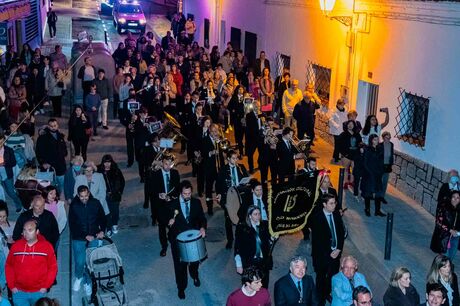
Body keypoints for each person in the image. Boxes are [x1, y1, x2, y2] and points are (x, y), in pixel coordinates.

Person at [166, 180, 207, 300]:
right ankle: (181, 287)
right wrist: (169, 222)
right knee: (180, 266)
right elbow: (164, 218)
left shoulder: (196, 202)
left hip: (193, 239)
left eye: (189, 193)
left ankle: (194, 275)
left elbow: (201, 218)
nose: (188, 196)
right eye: (185, 194)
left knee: (194, 261)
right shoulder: (172, 204)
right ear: (180, 192)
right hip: (178, 240)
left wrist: (203, 228)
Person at [6, 220, 57, 306]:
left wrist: (46, 285)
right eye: (24, 230)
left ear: (37, 232)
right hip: (19, 292)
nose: (26, 233)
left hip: (39, 292)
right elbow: (9, 265)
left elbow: (53, 267)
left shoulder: (47, 247)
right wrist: (11, 285)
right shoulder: (15, 247)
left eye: (30, 230)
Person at [69, 185, 106, 296]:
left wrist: (102, 231)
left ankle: (87, 282)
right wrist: (85, 235)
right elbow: (72, 225)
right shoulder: (74, 206)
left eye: (86, 196)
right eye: (81, 196)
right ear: (78, 195)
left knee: (90, 261)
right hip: (79, 238)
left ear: (89, 193)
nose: (84, 198)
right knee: (80, 261)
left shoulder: (95, 203)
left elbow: (103, 218)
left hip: (94, 235)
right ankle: (79, 277)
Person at [310, 194, 346, 305]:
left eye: (335, 203)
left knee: (332, 277)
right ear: (324, 204)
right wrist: (330, 253)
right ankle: (320, 300)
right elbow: (317, 242)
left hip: (336, 254)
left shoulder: (335, 214)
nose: (334, 205)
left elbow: (341, 232)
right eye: (331, 203)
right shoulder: (317, 218)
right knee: (321, 279)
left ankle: (327, 294)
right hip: (322, 256)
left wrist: (339, 249)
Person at [146, 154, 180, 257]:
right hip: (160, 205)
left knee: (172, 225)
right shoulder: (155, 175)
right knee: (162, 227)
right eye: (166, 164)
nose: (168, 166)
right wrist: (158, 195)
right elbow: (151, 190)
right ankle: (164, 246)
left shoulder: (175, 173)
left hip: (171, 204)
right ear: (162, 163)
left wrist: (171, 197)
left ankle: (171, 238)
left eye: (170, 164)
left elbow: (177, 188)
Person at [216, 149, 248, 249]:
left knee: (242, 217)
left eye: (236, 158)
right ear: (228, 159)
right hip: (229, 197)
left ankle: (242, 237)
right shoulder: (223, 169)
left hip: (240, 195)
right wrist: (219, 194)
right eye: (233, 158)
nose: (236, 160)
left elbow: (246, 178)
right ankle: (230, 240)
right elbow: (218, 184)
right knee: (228, 219)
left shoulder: (241, 167)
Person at [234, 206, 272, 288]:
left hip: (263, 262)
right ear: (250, 216)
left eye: (259, 214)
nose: (258, 216)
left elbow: (268, 240)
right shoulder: (242, 228)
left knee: (264, 285)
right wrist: (238, 264)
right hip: (249, 262)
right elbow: (237, 247)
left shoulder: (265, 225)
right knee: (250, 286)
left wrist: (272, 238)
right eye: (255, 214)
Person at [36, 119, 68, 195]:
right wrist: (43, 162)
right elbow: (38, 152)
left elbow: (64, 149)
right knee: (49, 186)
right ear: (48, 126)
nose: (53, 127)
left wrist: (63, 153)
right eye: (51, 126)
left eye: (55, 125)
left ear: (57, 126)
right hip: (48, 166)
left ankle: (60, 198)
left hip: (60, 166)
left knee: (61, 185)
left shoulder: (60, 136)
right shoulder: (42, 137)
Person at [97, 155, 125, 235]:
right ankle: (109, 227)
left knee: (115, 211)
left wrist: (120, 192)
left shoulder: (116, 170)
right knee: (107, 211)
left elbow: (122, 181)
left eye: (108, 162)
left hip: (115, 195)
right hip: (105, 195)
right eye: (105, 162)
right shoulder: (99, 171)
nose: (107, 164)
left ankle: (115, 224)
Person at [201, 123, 224, 215]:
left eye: (217, 131)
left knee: (220, 188)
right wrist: (210, 153)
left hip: (219, 168)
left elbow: (224, 151)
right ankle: (209, 207)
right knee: (209, 189)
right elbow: (203, 154)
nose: (215, 133)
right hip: (210, 169)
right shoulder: (205, 140)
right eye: (213, 131)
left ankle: (221, 202)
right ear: (209, 132)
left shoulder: (219, 139)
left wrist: (220, 143)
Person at [431, 191, 460, 260]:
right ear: (450, 198)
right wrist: (450, 230)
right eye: (453, 197)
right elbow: (438, 222)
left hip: (456, 236)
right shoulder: (444, 207)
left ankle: (447, 269)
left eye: (458, 198)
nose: (455, 199)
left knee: (451, 257)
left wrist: (457, 231)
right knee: (444, 258)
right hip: (444, 236)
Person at [362, 134, 386, 217]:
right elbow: (365, 163)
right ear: (371, 140)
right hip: (369, 174)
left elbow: (382, 161)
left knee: (378, 193)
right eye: (375, 139)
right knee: (368, 193)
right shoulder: (367, 149)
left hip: (378, 174)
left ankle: (377, 210)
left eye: (377, 139)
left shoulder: (380, 149)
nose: (377, 141)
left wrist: (382, 171)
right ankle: (367, 209)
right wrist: (370, 172)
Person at [0, 133, 24, 212]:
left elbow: (13, 162)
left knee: (10, 192)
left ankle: (19, 204)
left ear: (4, 141)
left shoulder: (8, 150)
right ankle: (2, 208)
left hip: (6, 173)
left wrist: (4, 163)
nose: (0, 144)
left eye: (1, 142)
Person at [338, 120, 362, 190]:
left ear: (354, 125)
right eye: (349, 124)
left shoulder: (357, 134)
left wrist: (360, 148)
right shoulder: (343, 134)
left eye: (352, 124)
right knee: (345, 170)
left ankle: (351, 182)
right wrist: (342, 154)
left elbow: (360, 143)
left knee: (354, 170)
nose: (350, 125)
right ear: (347, 125)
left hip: (355, 155)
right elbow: (339, 145)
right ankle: (345, 182)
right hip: (346, 156)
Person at [329, 98, 348, 164]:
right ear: (338, 104)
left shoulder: (345, 110)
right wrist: (336, 125)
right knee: (337, 144)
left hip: (343, 130)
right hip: (336, 130)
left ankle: (335, 156)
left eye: (343, 104)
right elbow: (331, 119)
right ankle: (336, 158)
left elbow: (346, 118)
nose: (342, 106)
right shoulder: (333, 110)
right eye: (341, 105)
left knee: (341, 144)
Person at [378, 131, 394, 204]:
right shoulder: (380, 145)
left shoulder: (391, 145)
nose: (388, 139)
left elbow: (391, 155)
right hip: (380, 166)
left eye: (389, 138)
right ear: (383, 138)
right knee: (379, 181)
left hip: (387, 166)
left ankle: (382, 196)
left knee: (384, 182)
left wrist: (391, 164)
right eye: (386, 138)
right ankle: (377, 195)